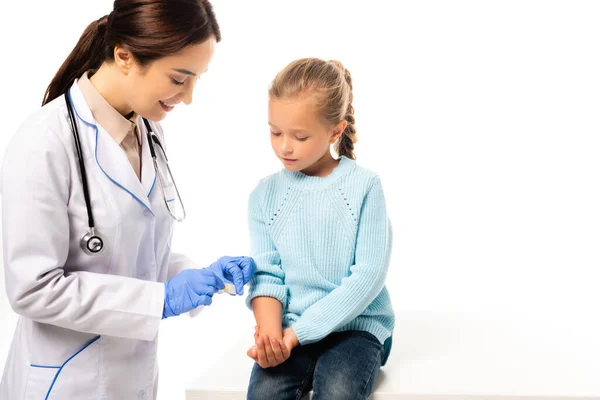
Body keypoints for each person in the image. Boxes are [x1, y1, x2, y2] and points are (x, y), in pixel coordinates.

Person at [0, 1, 254, 399]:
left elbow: (130, 254)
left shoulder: (148, 130)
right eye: (179, 78)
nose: (187, 97)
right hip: (66, 384)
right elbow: (33, 288)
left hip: (132, 380)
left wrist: (201, 276)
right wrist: (161, 299)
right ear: (124, 56)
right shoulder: (44, 142)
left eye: (196, 80)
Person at [245, 58, 395, 400]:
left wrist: (298, 334)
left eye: (299, 136)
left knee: (338, 393)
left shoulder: (364, 187)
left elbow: (367, 276)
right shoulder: (264, 195)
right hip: (289, 330)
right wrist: (272, 337)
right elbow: (267, 273)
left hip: (355, 329)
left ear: (335, 131)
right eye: (275, 131)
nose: (284, 146)